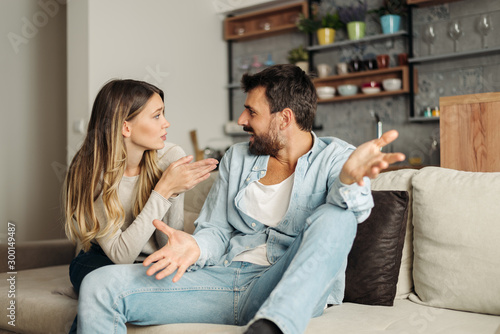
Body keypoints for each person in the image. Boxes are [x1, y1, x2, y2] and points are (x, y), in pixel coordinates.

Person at [76, 65, 405, 334]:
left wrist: (348, 182)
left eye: (251, 111)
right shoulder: (238, 157)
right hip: (220, 279)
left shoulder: (337, 159)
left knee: (338, 215)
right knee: (99, 284)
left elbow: (355, 215)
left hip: (281, 284)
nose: (241, 121)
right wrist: (196, 247)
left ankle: (272, 327)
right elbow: (215, 231)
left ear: (284, 118)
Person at [63, 79, 218, 333]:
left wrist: (173, 193)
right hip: (99, 260)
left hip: (152, 259)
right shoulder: (92, 171)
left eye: (163, 114)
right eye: (157, 116)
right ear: (126, 127)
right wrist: (164, 190)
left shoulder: (170, 157)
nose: (166, 123)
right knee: (102, 287)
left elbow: (168, 240)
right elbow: (121, 257)